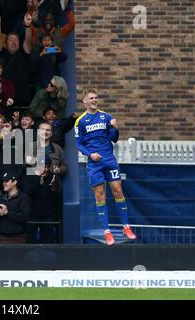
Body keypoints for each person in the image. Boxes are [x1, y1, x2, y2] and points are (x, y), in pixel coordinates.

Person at [75, 88, 137, 246]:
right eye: (91, 98)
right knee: (100, 196)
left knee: (118, 191)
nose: (94, 100)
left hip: (110, 160)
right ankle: (107, 231)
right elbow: (78, 144)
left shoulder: (106, 116)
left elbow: (114, 139)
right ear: (85, 102)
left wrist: (116, 129)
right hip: (94, 163)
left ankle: (126, 227)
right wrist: (90, 155)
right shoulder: (81, 121)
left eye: (96, 97)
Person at [0, 172, 31, 244]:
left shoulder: (24, 198)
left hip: (18, 238)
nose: (4, 183)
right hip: (1, 238)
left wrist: (7, 213)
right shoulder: (1, 198)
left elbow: (25, 217)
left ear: (15, 182)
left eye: (6, 181)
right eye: (3, 181)